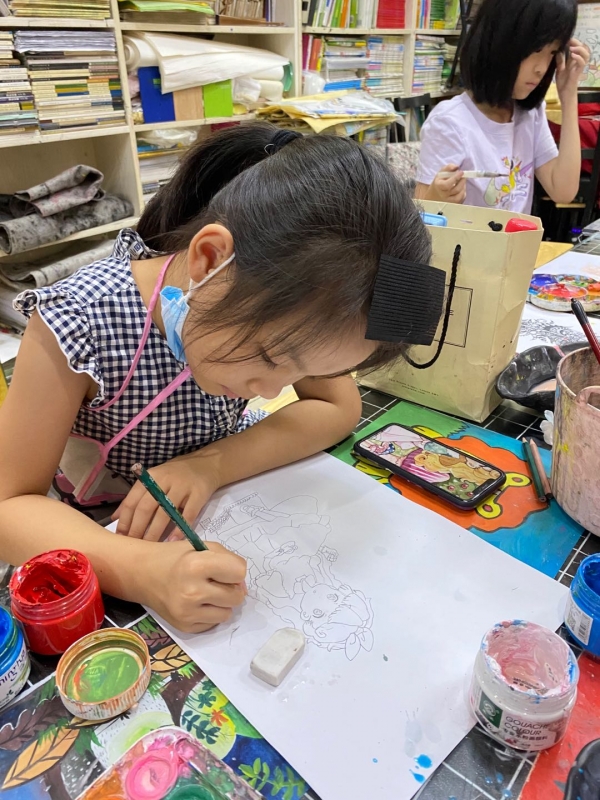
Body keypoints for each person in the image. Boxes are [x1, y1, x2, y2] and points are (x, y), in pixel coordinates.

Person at [0, 123, 445, 632]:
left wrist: (208, 466)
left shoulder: (292, 313)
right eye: (269, 356)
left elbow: (337, 407)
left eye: (305, 372)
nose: (273, 391)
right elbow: (10, 505)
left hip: (198, 511)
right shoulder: (78, 320)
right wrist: (139, 571)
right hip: (84, 532)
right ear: (210, 259)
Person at [415, 0, 589, 214]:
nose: (542, 68)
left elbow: (563, 191)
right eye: (536, 49)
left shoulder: (530, 114)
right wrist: (435, 199)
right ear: (501, 42)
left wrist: (569, 95)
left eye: (552, 53)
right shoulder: (449, 122)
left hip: (520, 237)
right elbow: (420, 219)